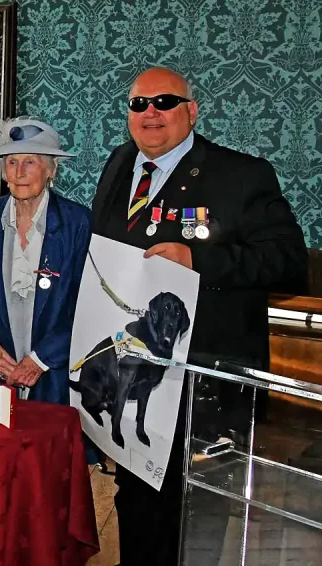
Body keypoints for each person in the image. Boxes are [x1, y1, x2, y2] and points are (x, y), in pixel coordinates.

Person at [91, 66, 307, 565]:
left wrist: (199, 260)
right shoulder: (119, 164)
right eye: (138, 104)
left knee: (199, 514)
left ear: (191, 111)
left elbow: (290, 263)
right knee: (137, 500)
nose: (150, 113)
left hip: (207, 380)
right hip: (139, 374)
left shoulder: (242, 175)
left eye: (164, 102)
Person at [0, 117, 91, 405]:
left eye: (30, 162)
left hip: (54, 366)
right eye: (11, 162)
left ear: (51, 170)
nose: (19, 172)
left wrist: (42, 359)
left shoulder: (76, 222)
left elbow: (85, 304)